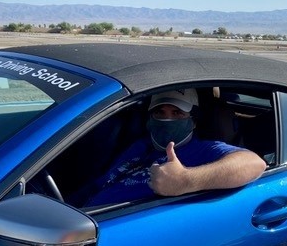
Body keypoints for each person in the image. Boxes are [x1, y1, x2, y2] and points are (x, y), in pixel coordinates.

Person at [84, 88, 266, 206]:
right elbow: (98, 184)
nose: (167, 119)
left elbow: (253, 163)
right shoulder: (141, 145)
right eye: (160, 112)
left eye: (177, 112)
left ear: (193, 121)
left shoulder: (202, 150)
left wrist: (185, 180)